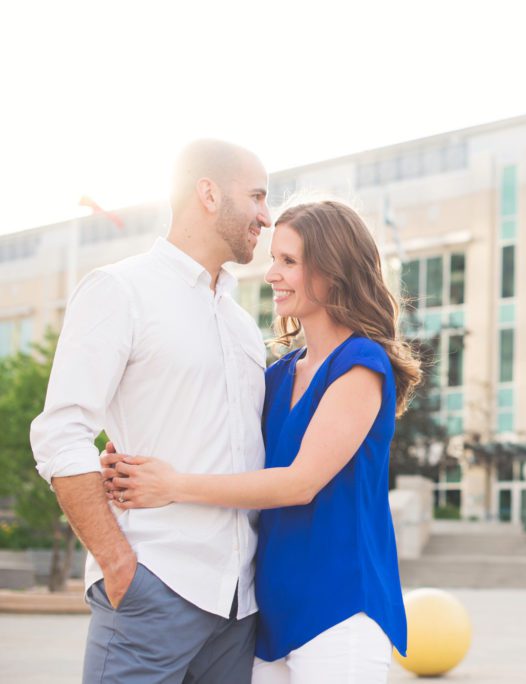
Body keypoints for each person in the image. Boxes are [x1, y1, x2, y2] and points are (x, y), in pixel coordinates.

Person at [104, 200, 420, 683]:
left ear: (333, 270)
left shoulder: (361, 365)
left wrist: (172, 485)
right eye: (275, 259)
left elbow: (299, 484)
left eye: (289, 261)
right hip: (269, 612)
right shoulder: (277, 374)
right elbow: (220, 436)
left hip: (341, 609)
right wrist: (131, 444)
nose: (271, 274)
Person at [30, 139, 272, 682]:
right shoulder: (121, 289)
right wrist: (119, 564)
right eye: (256, 196)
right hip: (154, 589)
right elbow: (61, 433)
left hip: (238, 607)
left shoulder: (240, 326)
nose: (266, 215)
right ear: (207, 193)